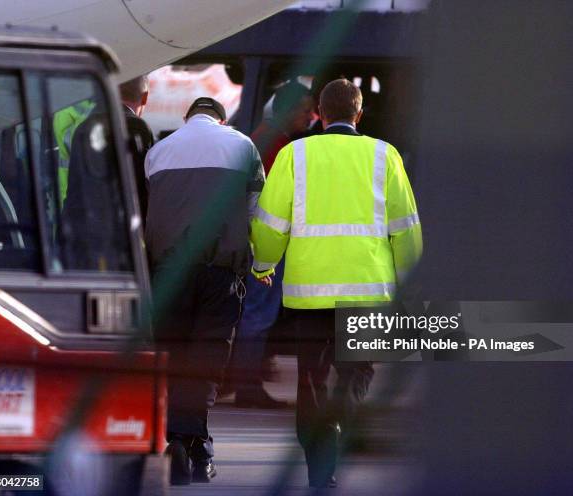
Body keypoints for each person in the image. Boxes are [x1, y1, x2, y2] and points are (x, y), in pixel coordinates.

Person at [250, 79, 422, 488]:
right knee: (356, 371)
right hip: (366, 289)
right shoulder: (385, 155)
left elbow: (271, 223)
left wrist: (263, 265)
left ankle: (319, 462)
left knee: (312, 376)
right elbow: (405, 228)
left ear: (321, 115)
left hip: (309, 293)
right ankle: (341, 423)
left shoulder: (296, 154)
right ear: (359, 115)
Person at [145, 97, 264, 485]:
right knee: (208, 356)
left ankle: (184, 440)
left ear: (186, 118)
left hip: (167, 270)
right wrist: (259, 262)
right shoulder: (242, 145)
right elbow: (254, 211)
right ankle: (189, 441)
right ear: (222, 119)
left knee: (175, 355)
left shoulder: (158, 151)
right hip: (220, 269)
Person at [231, 81, 315, 408]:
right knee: (258, 315)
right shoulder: (276, 145)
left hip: (258, 240)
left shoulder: (262, 137)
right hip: (266, 244)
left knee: (255, 313)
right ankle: (247, 387)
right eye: (305, 110)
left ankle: (244, 381)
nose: (310, 117)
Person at [119, 75, 154, 224]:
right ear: (144, 97)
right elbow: (142, 183)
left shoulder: (86, 123)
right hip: (125, 224)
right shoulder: (137, 127)